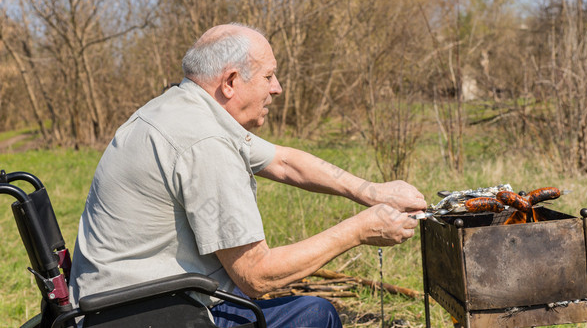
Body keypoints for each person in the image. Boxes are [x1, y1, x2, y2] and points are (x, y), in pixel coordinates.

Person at [68, 23, 427, 327]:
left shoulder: (183, 108)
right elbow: (257, 275)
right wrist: (360, 230)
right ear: (230, 82)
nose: (277, 88)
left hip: (118, 301)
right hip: (145, 314)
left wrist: (372, 191)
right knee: (317, 314)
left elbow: (284, 162)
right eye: (269, 76)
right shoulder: (204, 142)